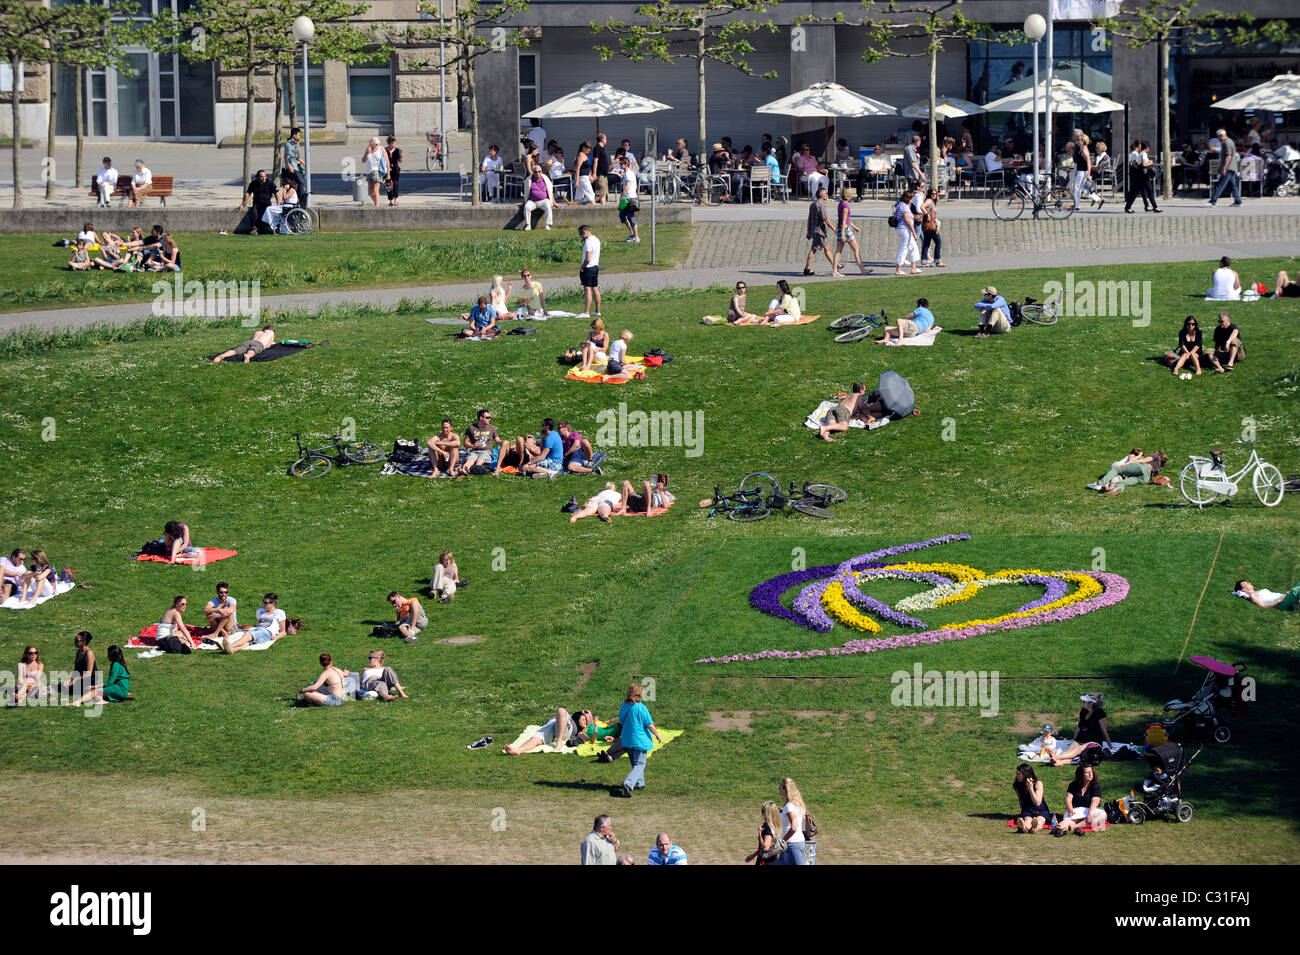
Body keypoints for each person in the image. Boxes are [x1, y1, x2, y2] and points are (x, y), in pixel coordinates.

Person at [613, 683, 661, 797]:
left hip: (627, 739)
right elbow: (649, 724)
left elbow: (621, 721)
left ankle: (640, 783)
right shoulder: (641, 708)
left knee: (635, 764)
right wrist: (657, 734)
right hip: (639, 740)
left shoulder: (624, 706)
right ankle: (628, 783)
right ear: (639, 694)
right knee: (640, 764)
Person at [1050, 693, 1112, 766]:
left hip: (1093, 740)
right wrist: (1074, 739)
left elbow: (1104, 731)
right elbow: (1078, 727)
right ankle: (1059, 762)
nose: (1082, 703)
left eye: (1084, 701)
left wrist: (1110, 746)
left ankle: (1057, 757)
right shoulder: (1083, 711)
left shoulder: (1100, 713)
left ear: (1090, 703)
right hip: (1081, 738)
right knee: (1070, 751)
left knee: (1077, 750)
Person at [503, 706, 595, 753]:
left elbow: (586, 732)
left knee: (561, 710)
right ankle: (519, 750)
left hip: (566, 730)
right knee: (537, 738)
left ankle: (558, 741)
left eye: (586, 720)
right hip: (553, 726)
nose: (584, 721)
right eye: (583, 718)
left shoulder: (582, 726)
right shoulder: (571, 716)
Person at [223, 592, 287, 653]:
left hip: (267, 632)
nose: (264, 604)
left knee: (248, 636)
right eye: (263, 602)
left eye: (266, 603)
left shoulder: (279, 612)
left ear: (273, 603)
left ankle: (229, 646)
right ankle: (233, 650)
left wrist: (277, 637)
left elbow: (283, 632)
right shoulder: (260, 611)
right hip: (258, 629)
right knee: (249, 641)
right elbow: (259, 623)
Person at [1055, 764, 1107, 835]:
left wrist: (1090, 814)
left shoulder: (1095, 786)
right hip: (1077, 811)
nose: (1090, 774)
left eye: (1091, 772)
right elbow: (1068, 798)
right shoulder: (1073, 785)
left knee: (1102, 815)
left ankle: (1076, 827)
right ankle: (1060, 828)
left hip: (1090, 811)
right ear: (1081, 775)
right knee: (1069, 820)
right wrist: (1070, 809)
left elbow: (1095, 801)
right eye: (1087, 772)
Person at [1089, 448, 1167, 496]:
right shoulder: (1158, 468)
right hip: (1145, 478)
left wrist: (1129, 462)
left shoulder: (1156, 455)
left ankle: (1099, 484)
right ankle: (1117, 489)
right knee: (1123, 482)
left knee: (1116, 469)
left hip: (1143, 467)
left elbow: (1143, 460)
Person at [803, 186, 839, 276]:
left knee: (827, 248)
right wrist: (834, 228)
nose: (827, 195)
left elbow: (809, 219)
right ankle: (807, 269)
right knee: (814, 249)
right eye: (826, 193)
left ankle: (835, 265)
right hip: (819, 232)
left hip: (814, 231)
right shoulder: (821, 205)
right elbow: (826, 219)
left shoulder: (813, 204)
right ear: (822, 195)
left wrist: (808, 231)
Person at [457, 408, 503, 475]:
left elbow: (497, 440)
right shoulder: (471, 428)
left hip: (486, 451)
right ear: (481, 418)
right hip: (474, 451)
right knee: (469, 460)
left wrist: (502, 442)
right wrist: (472, 446)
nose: (489, 419)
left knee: (479, 461)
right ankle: (464, 470)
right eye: (487, 417)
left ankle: (473, 469)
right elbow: (465, 443)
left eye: (489, 417)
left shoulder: (492, 428)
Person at [1206, 127, 1242, 207]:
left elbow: (1228, 156)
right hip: (1231, 167)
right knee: (1232, 185)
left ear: (1221, 135)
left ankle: (1213, 201)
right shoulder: (1229, 141)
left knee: (1221, 184)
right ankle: (1238, 201)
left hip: (1228, 167)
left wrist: (1224, 168)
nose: (1218, 139)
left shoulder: (1226, 143)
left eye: (1218, 137)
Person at [834, 188, 867, 275]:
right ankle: (862, 269)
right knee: (856, 249)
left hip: (841, 227)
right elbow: (844, 220)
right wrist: (843, 234)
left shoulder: (841, 203)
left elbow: (845, 219)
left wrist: (854, 227)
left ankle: (835, 271)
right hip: (845, 229)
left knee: (838, 250)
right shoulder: (846, 205)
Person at [1013, 763, 1052, 834]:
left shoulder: (1038, 783)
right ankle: (1025, 827)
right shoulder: (1017, 785)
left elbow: (1037, 803)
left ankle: (1035, 828)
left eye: (1019, 774)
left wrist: (1030, 788)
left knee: (1040, 820)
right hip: (1028, 809)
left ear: (1025, 774)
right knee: (1027, 819)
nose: (1017, 776)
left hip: (1041, 809)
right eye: (1017, 774)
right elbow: (1020, 800)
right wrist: (1023, 811)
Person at [777, 777, 808, 864]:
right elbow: (803, 821)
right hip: (794, 843)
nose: (779, 789)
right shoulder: (797, 804)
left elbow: (794, 826)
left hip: (791, 844)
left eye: (781, 787)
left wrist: (784, 840)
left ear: (787, 790)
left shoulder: (789, 806)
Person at [61, 632, 98, 703]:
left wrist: (75, 680)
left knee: (64, 688)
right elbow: (76, 669)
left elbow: (88, 674)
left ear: (84, 642)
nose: (74, 642)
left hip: (90, 680)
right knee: (64, 685)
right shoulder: (79, 652)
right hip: (80, 679)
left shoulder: (89, 653)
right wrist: (70, 679)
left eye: (77, 640)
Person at [893, 187, 921, 276]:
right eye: (912, 198)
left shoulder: (899, 204)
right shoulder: (904, 207)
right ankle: (898, 269)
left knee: (913, 247)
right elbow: (908, 221)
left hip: (902, 229)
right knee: (903, 248)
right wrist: (914, 233)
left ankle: (914, 268)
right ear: (909, 199)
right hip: (905, 229)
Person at [577, 224, 601, 318]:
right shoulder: (597, 240)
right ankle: (597, 311)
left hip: (588, 268)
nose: (581, 237)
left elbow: (588, 258)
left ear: (585, 232)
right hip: (595, 267)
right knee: (595, 288)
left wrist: (582, 267)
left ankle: (586, 312)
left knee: (587, 290)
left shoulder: (588, 242)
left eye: (581, 234)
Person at [918, 187, 944, 267]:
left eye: (935, 194)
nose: (934, 195)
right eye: (932, 194)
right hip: (930, 226)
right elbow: (922, 207)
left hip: (927, 226)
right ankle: (938, 261)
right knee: (938, 242)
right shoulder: (929, 200)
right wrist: (927, 214)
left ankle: (924, 261)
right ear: (929, 194)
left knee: (926, 243)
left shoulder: (932, 201)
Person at [1235, 579, 1300, 611]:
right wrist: (1279, 600)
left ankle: (1296, 605)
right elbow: (1263, 606)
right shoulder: (1253, 596)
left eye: (1248, 582)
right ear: (1243, 590)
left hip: (1284, 597)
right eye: (1246, 584)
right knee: (1297, 589)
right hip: (1281, 602)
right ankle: (1296, 604)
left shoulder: (1257, 592)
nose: (1249, 583)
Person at [618, 155, 640, 243]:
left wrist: (622, 196)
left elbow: (627, 187)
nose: (620, 165)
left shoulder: (628, 174)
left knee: (631, 217)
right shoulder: (629, 173)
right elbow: (635, 186)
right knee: (622, 215)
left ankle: (636, 236)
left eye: (621, 163)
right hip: (630, 197)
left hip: (629, 198)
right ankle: (632, 232)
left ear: (626, 164)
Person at [362, 137, 389, 207]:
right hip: (369, 171)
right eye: (370, 142)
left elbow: (387, 161)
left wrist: (388, 173)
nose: (370, 144)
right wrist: (367, 153)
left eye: (371, 142)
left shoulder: (381, 149)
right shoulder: (369, 149)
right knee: (371, 192)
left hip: (377, 171)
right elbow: (363, 160)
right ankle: (376, 204)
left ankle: (377, 207)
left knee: (375, 190)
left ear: (375, 143)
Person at [283, 127, 307, 200]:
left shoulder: (294, 145)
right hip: (291, 168)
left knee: (294, 185)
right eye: (299, 135)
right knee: (301, 183)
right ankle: (301, 199)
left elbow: (297, 157)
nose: (299, 137)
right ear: (294, 135)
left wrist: (305, 165)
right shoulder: (288, 144)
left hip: (295, 167)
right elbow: (286, 157)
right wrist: (289, 166)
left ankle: (294, 199)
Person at [592, 132, 611, 205]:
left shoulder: (602, 149)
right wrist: (594, 173)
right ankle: (589, 202)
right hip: (600, 174)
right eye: (605, 138)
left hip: (604, 174)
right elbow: (595, 160)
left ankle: (604, 207)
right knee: (600, 193)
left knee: (603, 193)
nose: (606, 140)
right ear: (602, 139)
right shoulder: (597, 148)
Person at [384, 135, 403, 206]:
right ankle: (390, 200)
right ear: (389, 143)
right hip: (387, 169)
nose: (394, 145)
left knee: (395, 183)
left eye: (395, 143)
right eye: (392, 143)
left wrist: (400, 154)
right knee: (388, 184)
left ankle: (396, 199)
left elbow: (400, 161)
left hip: (395, 168)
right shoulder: (385, 150)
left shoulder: (397, 150)